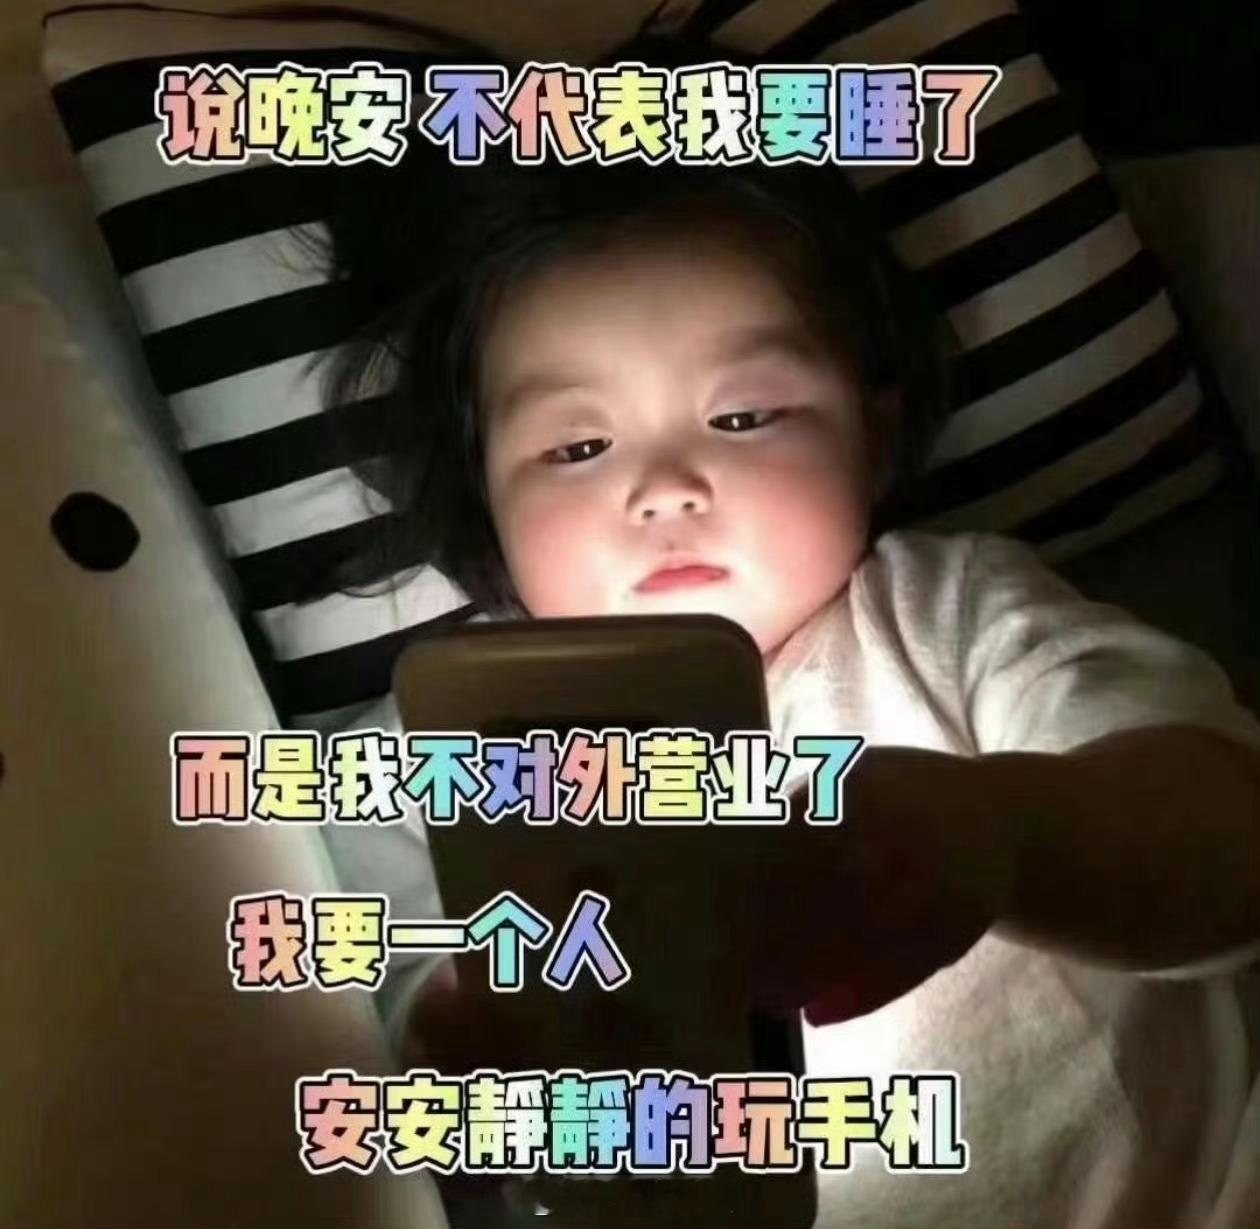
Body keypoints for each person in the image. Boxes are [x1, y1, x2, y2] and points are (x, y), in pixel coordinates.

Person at [312, 35, 1260, 1229]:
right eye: (578, 445)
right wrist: (472, 1036)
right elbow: (378, 1036)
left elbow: (1225, 829)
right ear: (485, 502)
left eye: (744, 414)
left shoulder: (946, 612)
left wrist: (1003, 833)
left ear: (874, 430)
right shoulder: (435, 746)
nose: (666, 487)